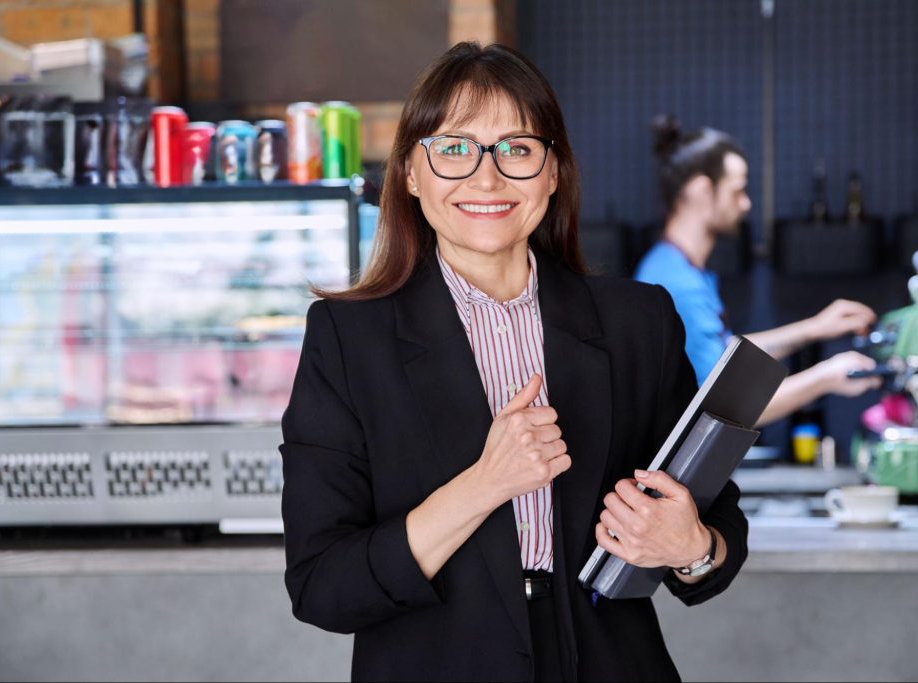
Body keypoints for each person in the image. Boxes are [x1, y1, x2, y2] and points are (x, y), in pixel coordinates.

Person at [281, 44, 748, 682]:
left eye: (518, 148)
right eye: (453, 148)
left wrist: (691, 549)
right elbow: (323, 587)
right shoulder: (346, 338)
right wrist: (487, 481)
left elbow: (717, 524)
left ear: (553, 172)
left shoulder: (637, 322)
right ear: (411, 175)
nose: (486, 178)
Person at [634, 116, 882, 426]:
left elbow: (725, 358)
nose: (746, 204)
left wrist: (814, 328)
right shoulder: (676, 285)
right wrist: (826, 377)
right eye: (737, 191)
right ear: (702, 190)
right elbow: (722, 405)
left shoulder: (679, 269)